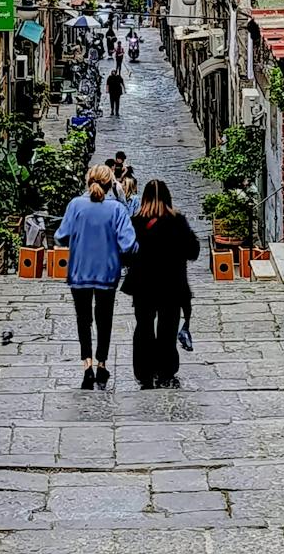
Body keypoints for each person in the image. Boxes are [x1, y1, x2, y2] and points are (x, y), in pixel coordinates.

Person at [55, 165, 136, 390]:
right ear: (111, 184)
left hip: (79, 272)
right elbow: (128, 243)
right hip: (107, 272)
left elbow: (60, 237)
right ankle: (102, 364)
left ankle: (87, 366)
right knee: (104, 319)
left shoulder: (75, 205)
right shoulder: (117, 209)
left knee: (83, 319)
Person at [123, 179, 200, 389]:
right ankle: (166, 371)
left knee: (144, 327)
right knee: (168, 328)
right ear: (168, 197)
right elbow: (193, 251)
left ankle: (144, 372)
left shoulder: (135, 222)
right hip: (172, 285)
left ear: (145, 198)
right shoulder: (177, 221)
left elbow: (125, 254)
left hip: (143, 285)